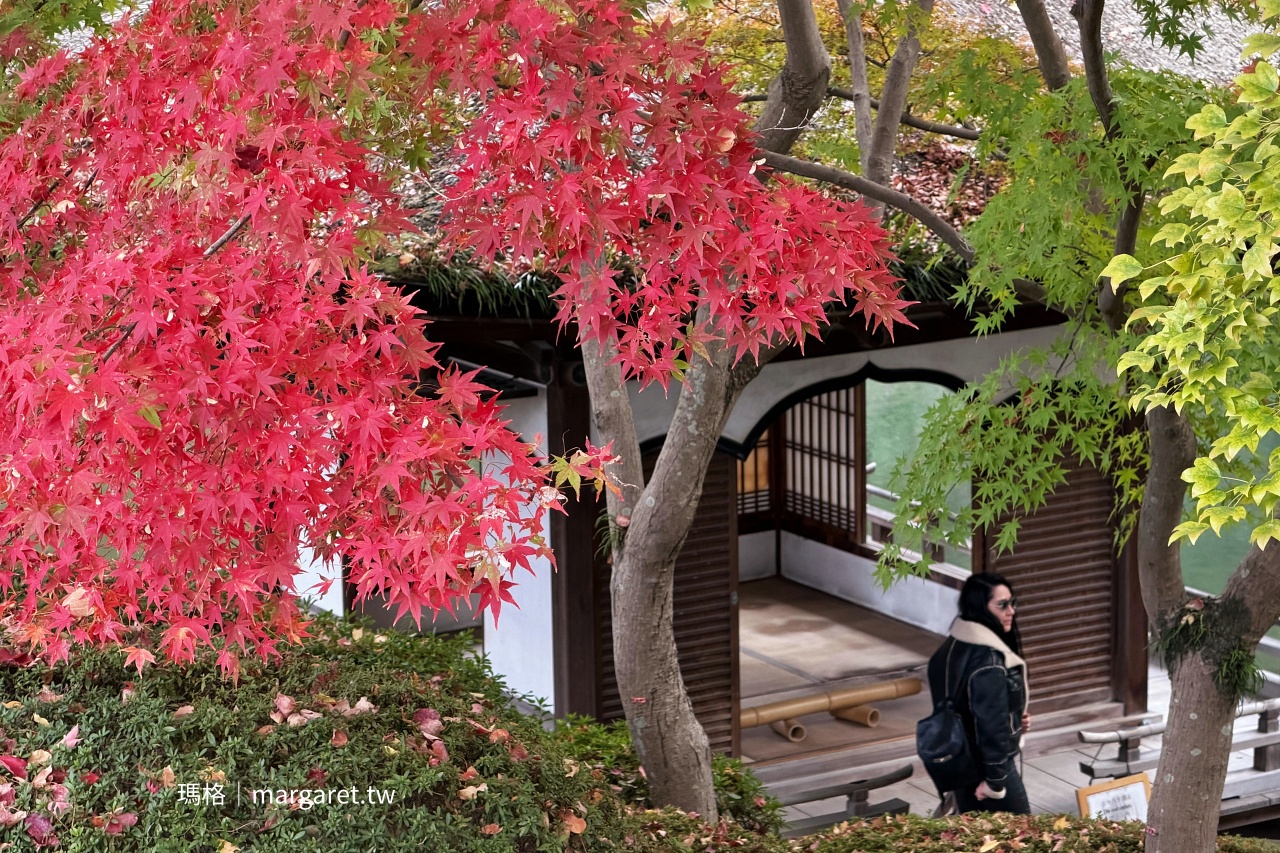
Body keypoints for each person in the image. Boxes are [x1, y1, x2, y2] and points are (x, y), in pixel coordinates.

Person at [926, 572, 1031, 814]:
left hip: (959, 760)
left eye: (1012, 603)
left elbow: (963, 707)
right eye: (1002, 605)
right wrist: (994, 782)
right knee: (1023, 831)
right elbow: (990, 725)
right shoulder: (988, 662)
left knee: (972, 831)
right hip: (989, 767)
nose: (1011, 611)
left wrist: (1015, 720)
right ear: (980, 607)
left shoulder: (951, 647)